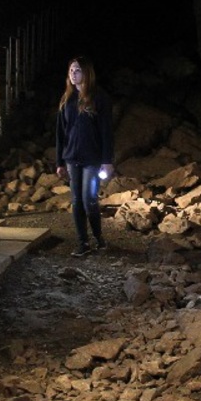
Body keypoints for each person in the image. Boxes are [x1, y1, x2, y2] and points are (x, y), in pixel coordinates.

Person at [54, 56, 115, 257]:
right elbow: (61, 133)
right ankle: (83, 242)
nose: (73, 74)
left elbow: (106, 131)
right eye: (71, 70)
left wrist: (107, 161)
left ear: (87, 73)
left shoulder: (99, 98)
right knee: (76, 201)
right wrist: (59, 162)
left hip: (92, 159)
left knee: (89, 199)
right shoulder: (66, 99)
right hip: (72, 158)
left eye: (78, 70)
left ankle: (99, 238)